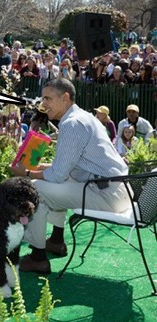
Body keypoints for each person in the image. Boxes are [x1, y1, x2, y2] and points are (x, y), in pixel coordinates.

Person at [9, 78, 131, 274]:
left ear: (65, 97)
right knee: (59, 180)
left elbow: (57, 175)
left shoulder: (72, 124)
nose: (43, 104)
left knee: (34, 189)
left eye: (48, 98)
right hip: (115, 189)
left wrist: (27, 173)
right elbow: (70, 167)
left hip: (108, 195)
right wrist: (41, 166)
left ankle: (38, 258)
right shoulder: (84, 117)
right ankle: (56, 241)